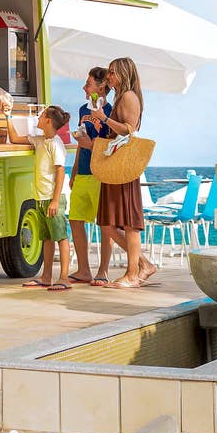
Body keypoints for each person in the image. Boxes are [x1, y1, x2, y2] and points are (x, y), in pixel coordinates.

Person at [85, 56, 156, 288]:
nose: (109, 76)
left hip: (123, 166)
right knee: (107, 224)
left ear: (124, 74)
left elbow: (129, 130)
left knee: (128, 224)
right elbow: (118, 130)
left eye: (113, 72)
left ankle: (133, 274)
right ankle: (143, 264)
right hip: (114, 166)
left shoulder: (128, 96)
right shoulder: (120, 97)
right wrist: (102, 123)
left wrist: (104, 118)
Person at [3, 104, 72, 291]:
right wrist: (8, 116)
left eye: (41, 116)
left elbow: (60, 172)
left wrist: (56, 201)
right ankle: (46, 276)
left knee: (61, 237)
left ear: (48, 121)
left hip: (52, 199)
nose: (38, 119)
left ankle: (64, 277)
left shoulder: (55, 144)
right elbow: (15, 138)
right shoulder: (39, 140)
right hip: (40, 199)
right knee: (46, 238)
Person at [68, 66, 111, 286]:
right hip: (83, 172)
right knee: (75, 219)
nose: (84, 87)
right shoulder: (82, 110)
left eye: (88, 83)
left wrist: (91, 145)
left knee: (104, 224)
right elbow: (80, 143)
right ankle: (84, 270)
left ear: (101, 87)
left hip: (100, 174)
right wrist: (73, 171)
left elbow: (111, 144)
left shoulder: (109, 111)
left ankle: (103, 271)